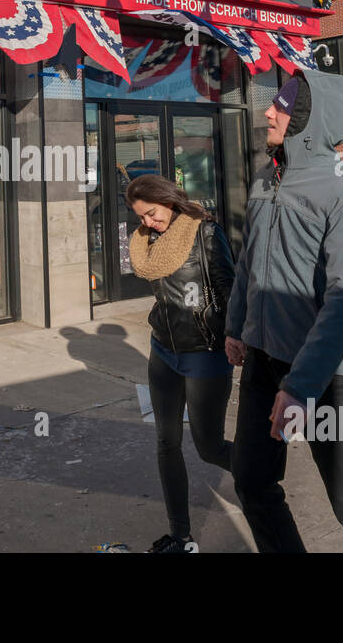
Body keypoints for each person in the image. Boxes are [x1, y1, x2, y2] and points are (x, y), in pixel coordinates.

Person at [224, 70, 343, 553]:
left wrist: (301, 387)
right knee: (252, 483)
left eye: (281, 106)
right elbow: (248, 263)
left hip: (335, 377)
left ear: (309, 119)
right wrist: (236, 326)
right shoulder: (265, 179)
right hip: (264, 359)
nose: (267, 112)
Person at [126, 174, 235, 553]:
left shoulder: (205, 233)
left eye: (152, 214)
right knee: (166, 442)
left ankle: (265, 473)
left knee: (210, 447)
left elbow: (230, 290)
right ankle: (180, 536)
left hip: (205, 353)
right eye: (141, 217)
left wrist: (235, 337)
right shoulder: (148, 243)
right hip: (164, 352)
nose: (148, 223)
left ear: (169, 201)